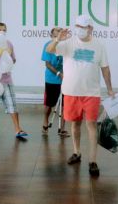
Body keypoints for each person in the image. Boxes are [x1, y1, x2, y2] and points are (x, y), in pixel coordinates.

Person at [46, 15, 114, 177]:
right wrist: (57, 39)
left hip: (91, 93)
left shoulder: (99, 45)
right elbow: (49, 50)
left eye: (83, 27)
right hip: (71, 91)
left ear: (91, 28)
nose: (80, 30)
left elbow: (105, 68)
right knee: (75, 124)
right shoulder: (68, 43)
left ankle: (93, 160)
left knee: (91, 125)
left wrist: (110, 88)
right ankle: (77, 152)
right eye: (78, 26)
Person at [0, 22, 28, 139]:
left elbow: (13, 60)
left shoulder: (9, 44)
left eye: (4, 30)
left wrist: (8, 58)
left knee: (12, 105)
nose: (2, 32)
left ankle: (18, 129)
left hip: (7, 79)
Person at [41, 27, 68, 137]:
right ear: (52, 35)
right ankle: (45, 121)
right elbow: (47, 64)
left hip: (66, 79)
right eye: (57, 31)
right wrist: (59, 74)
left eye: (60, 31)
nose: (59, 32)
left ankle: (62, 128)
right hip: (52, 79)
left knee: (65, 105)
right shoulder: (48, 45)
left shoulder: (65, 45)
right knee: (49, 104)